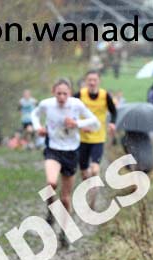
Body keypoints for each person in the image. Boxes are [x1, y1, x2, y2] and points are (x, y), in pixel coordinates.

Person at [31, 78, 99, 248]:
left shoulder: (76, 105)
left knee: (66, 199)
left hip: (71, 151)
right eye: (58, 93)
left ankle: (63, 232)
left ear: (69, 93)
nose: (62, 97)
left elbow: (95, 122)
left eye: (65, 94)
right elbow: (34, 114)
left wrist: (77, 123)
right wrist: (37, 127)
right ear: (54, 92)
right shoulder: (46, 104)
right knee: (51, 183)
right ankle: (50, 210)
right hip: (53, 149)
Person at [74, 71, 118, 208]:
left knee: (94, 169)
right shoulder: (80, 95)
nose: (92, 82)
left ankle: (93, 197)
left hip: (98, 137)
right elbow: (69, 110)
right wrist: (79, 125)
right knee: (84, 172)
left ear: (99, 81)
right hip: (82, 138)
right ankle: (89, 188)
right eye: (90, 80)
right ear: (86, 81)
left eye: (95, 80)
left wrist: (112, 123)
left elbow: (113, 111)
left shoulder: (105, 96)